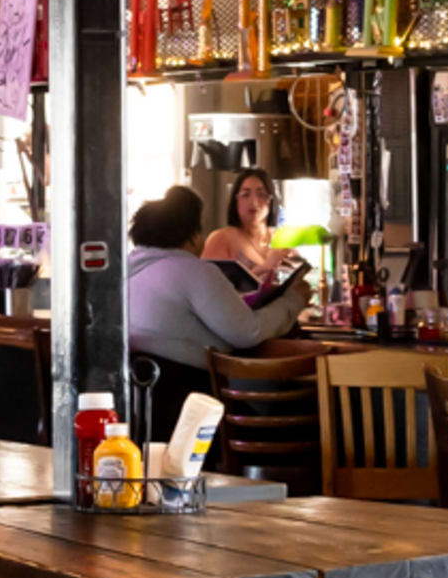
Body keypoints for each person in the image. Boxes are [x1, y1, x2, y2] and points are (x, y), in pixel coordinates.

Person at [123, 186, 310, 437]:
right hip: (193, 411)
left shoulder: (124, 272)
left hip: (138, 410)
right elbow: (246, 331)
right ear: (190, 236)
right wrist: (293, 300)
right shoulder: (192, 271)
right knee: (300, 418)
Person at [201, 169, 290, 301]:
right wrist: (264, 268)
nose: (253, 201)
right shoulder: (221, 238)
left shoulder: (281, 238)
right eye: (245, 194)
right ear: (235, 200)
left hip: (278, 316)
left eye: (261, 194)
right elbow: (210, 292)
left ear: (270, 200)